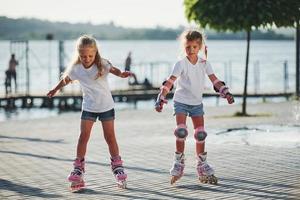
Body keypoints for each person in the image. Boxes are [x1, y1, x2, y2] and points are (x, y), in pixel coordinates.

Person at [47, 35, 132, 190]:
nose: (87, 59)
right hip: (89, 107)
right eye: (83, 56)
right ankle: (78, 168)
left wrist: (122, 74)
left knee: (110, 137)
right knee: (83, 137)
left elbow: (115, 70)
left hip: (106, 106)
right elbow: (66, 79)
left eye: (90, 56)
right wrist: (55, 89)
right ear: (79, 54)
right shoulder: (77, 68)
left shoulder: (102, 64)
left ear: (95, 53)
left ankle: (118, 166)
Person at [155, 30, 234, 185]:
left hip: (197, 103)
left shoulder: (204, 63)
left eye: (194, 46)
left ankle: (202, 165)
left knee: (201, 134)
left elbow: (215, 80)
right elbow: (170, 82)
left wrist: (225, 92)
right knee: (181, 131)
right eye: (188, 46)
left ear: (199, 47)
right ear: (184, 47)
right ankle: (178, 164)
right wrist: (162, 96)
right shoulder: (181, 63)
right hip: (181, 102)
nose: (191, 50)